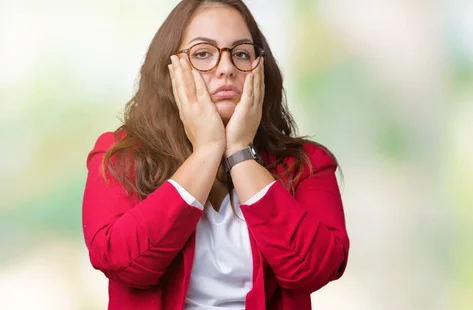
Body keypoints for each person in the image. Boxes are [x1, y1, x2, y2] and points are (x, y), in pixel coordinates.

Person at [81, 0, 349, 309]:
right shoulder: (120, 155)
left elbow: (314, 270)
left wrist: (240, 153)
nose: (226, 68)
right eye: (203, 54)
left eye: (241, 54)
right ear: (169, 71)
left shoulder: (308, 163)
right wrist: (207, 151)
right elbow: (122, 263)